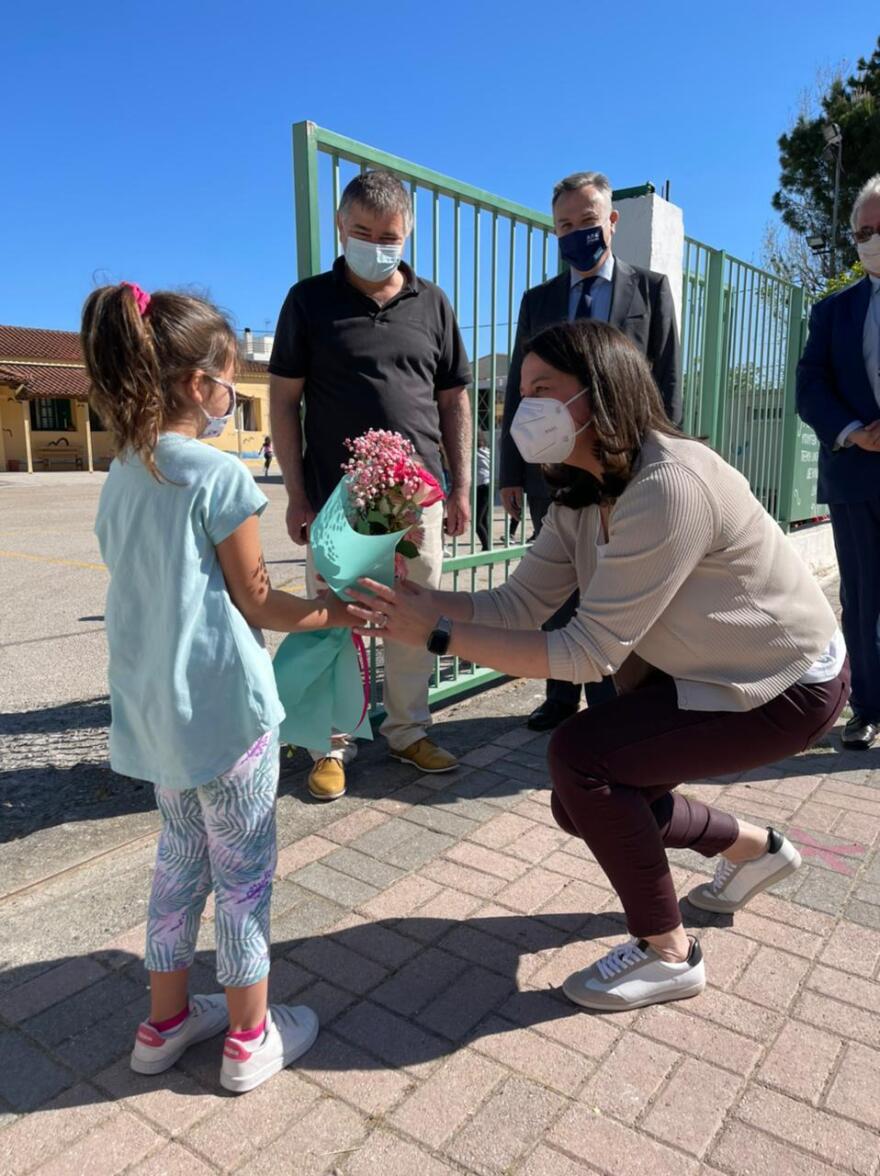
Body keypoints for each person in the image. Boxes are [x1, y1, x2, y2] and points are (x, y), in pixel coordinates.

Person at [348, 319, 847, 1012]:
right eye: (522, 394)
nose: (526, 410)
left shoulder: (668, 483)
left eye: (544, 389)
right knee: (583, 792)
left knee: (587, 762)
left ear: (601, 392)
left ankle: (669, 953)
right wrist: (416, 597)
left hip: (788, 683)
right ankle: (757, 850)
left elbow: (588, 652)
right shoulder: (585, 490)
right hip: (710, 667)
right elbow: (522, 602)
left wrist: (436, 635)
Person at [83, 283, 352, 1092]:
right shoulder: (220, 475)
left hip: (159, 719)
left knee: (176, 863)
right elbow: (261, 598)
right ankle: (248, 1038)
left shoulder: (122, 473)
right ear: (200, 385)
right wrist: (334, 614)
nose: (234, 396)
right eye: (230, 380)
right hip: (230, 716)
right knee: (245, 878)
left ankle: (162, 1024)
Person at [269, 170, 473, 800]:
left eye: (389, 235)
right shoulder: (307, 302)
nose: (376, 244)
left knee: (414, 617)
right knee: (333, 620)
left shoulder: (433, 303)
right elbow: (283, 405)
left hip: (418, 504)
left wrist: (461, 486)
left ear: (406, 233)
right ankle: (331, 742)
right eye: (362, 232)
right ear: (341, 226)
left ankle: (409, 730)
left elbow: (455, 403)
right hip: (339, 507)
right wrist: (297, 494)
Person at [500, 171, 682, 733]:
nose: (577, 233)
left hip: (622, 470)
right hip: (550, 468)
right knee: (555, 582)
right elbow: (517, 387)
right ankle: (560, 695)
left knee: (613, 582)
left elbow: (667, 383)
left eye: (586, 221)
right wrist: (511, 469)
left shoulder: (649, 292)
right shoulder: (539, 301)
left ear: (612, 220)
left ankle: (613, 692)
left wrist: (660, 461)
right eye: (564, 225)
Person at [797, 174, 880, 750]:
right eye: (864, 231)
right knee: (863, 597)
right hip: (855, 476)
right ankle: (868, 707)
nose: (872, 239)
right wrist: (853, 432)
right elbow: (810, 385)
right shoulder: (833, 312)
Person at [475, 430, 492, 551]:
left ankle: (486, 547)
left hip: (481, 486)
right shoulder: (486, 450)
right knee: (483, 519)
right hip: (487, 485)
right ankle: (487, 546)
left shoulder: (474, 453)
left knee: (477, 523)